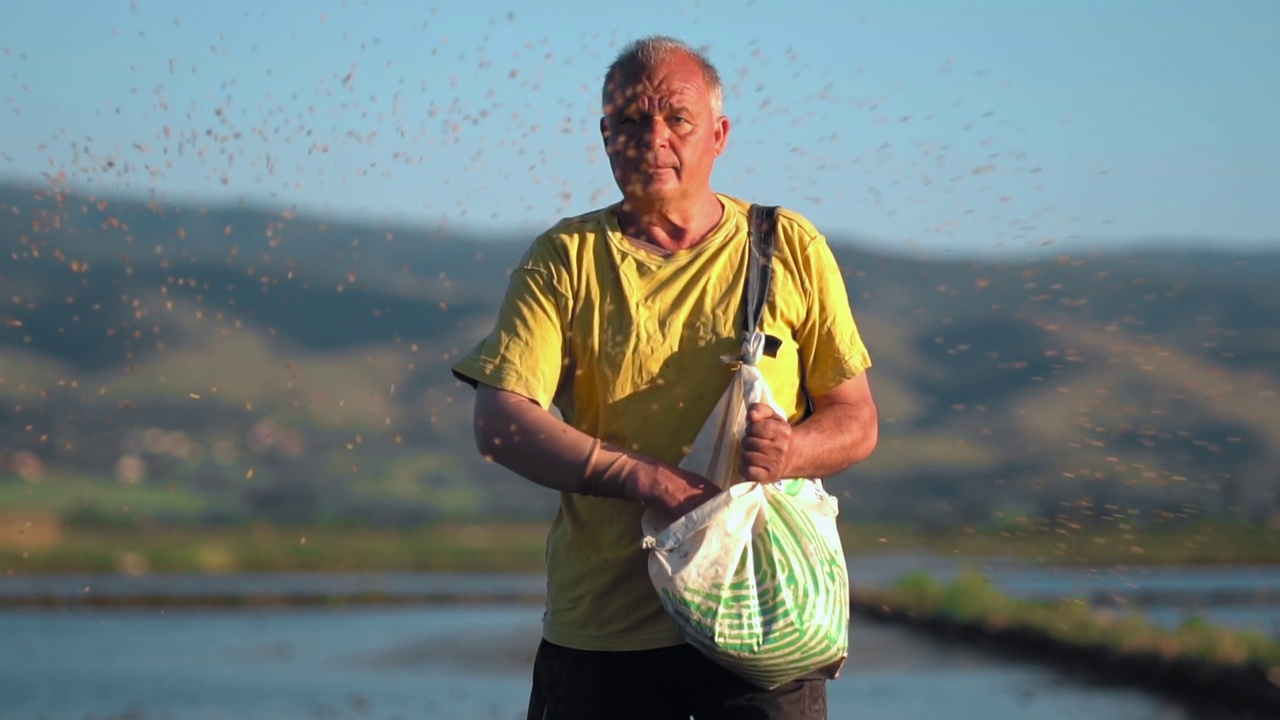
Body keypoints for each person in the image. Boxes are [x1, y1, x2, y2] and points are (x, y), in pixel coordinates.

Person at [451, 35, 878, 720]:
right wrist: (644, 480)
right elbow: (500, 423)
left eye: (676, 118)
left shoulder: (787, 246)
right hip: (606, 631)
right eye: (630, 120)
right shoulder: (566, 259)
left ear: (718, 134)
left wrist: (795, 450)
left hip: (760, 626)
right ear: (604, 137)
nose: (653, 138)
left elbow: (856, 419)